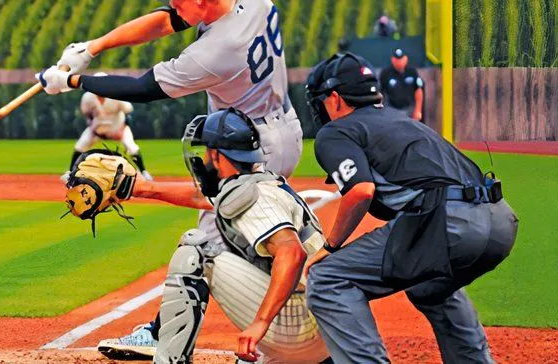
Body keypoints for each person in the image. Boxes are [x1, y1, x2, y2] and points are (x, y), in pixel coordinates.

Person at [37, 0, 303, 360]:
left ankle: (173, 340)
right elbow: (166, 21)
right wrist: (94, 46)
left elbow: (145, 89)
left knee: (207, 244)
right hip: (277, 125)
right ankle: (174, 332)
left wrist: (73, 80)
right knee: (244, 236)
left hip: (251, 147)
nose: (172, 5)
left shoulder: (216, 52)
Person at [302, 53, 518, 363]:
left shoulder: (336, 131)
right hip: (500, 220)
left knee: (327, 278)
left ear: (334, 98)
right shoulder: (398, 119)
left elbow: (361, 191)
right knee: (428, 285)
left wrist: (330, 245)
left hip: (449, 224)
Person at [117, 109, 330, 363]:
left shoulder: (252, 198)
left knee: (195, 251)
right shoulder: (258, 184)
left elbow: (292, 252)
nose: (204, 158)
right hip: (323, 332)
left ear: (217, 155)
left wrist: (260, 323)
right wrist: (140, 188)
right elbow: (200, 197)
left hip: (296, 329)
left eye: (207, 151)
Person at [67, 75, 152, 181]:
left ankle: (143, 172)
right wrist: (92, 128)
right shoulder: (88, 98)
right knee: (80, 145)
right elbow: (87, 114)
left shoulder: (116, 95)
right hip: (97, 130)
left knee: (132, 147)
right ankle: (70, 173)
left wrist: (124, 127)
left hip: (118, 129)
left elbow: (128, 111)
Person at [378, 48, 425, 122]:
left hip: (410, 108)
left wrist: (418, 110)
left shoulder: (412, 72)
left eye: (401, 59)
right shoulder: (386, 73)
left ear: (406, 59)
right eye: (397, 59)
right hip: (392, 109)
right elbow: (380, 92)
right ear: (392, 60)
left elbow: (418, 90)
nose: (399, 62)